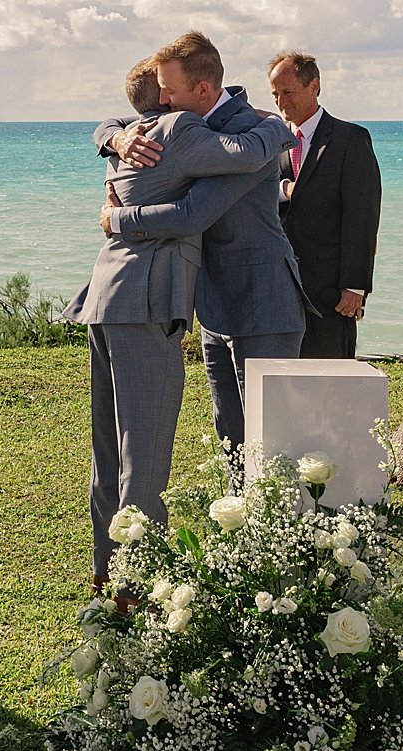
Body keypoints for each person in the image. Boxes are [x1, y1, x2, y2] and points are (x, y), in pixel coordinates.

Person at [67, 59, 291, 593]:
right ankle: (136, 587)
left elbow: (109, 127)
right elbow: (216, 187)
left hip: (105, 297)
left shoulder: (133, 134)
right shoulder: (179, 128)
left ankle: (105, 571)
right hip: (147, 302)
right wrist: (281, 127)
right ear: (167, 98)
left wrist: (112, 138)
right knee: (143, 454)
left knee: (109, 449)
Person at [95, 31, 310, 481]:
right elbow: (122, 117)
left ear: (203, 90)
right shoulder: (188, 123)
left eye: (169, 91)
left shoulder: (250, 133)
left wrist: (119, 219)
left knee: (269, 440)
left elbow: (194, 214)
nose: (161, 101)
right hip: (213, 303)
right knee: (230, 434)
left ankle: (277, 543)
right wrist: (114, 138)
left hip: (263, 300)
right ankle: (242, 539)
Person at [266, 51, 383, 360]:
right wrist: (282, 190)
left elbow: (363, 216)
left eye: (288, 92)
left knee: (330, 384)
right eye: (275, 94)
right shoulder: (274, 140)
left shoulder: (350, 139)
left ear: (314, 86)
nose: (281, 102)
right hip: (279, 287)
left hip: (330, 293)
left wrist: (355, 286)